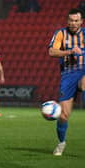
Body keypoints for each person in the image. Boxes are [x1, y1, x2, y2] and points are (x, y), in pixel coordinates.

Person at [48, 8, 85, 156]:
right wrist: (69, 51)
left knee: (84, 83)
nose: (73, 23)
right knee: (63, 116)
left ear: (81, 21)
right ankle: (61, 143)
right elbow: (52, 52)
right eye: (71, 20)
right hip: (68, 75)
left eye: (76, 20)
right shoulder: (60, 34)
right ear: (67, 21)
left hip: (83, 71)